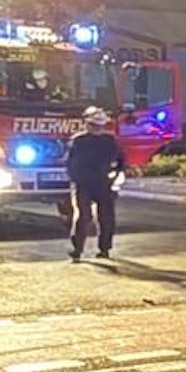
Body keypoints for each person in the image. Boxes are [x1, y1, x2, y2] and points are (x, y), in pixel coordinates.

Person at [65, 106, 125, 261]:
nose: (96, 128)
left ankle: (89, 249)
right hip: (92, 183)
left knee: (95, 217)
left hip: (96, 183)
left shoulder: (84, 140)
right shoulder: (83, 140)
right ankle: (86, 249)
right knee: (90, 216)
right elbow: (121, 161)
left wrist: (114, 176)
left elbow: (120, 160)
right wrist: (114, 176)